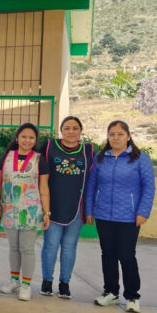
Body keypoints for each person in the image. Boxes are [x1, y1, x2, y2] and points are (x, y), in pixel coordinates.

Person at [85, 120, 155, 313]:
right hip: (104, 215)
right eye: (112, 134)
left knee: (126, 255)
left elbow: (149, 187)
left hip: (129, 216)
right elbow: (91, 185)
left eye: (120, 134)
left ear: (128, 136)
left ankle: (132, 296)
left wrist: (143, 211)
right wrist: (89, 210)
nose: (116, 138)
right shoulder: (100, 158)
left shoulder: (140, 158)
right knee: (108, 254)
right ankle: (110, 292)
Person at [38, 116, 94, 299]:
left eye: (75, 128)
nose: (71, 131)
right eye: (67, 128)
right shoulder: (49, 146)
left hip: (77, 207)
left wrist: (90, 209)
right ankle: (47, 281)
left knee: (70, 246)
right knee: (51, 245)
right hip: (53, 206)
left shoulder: (88, 150)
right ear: (61, 130)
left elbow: (96, 179)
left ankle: (64, 283)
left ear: (80, 131)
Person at [0, 123, 51, 301]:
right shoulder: (7, 157)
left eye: (31, 137)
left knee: (27, 248)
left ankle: (26, 284)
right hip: (10, 209)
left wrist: (46, 212)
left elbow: (43, 188)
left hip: (31, 210)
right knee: (14, 247)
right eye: (24, 136)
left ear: (35, 140)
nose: (27, 140)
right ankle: (14, 280)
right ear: (17, 137)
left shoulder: (39, 159)